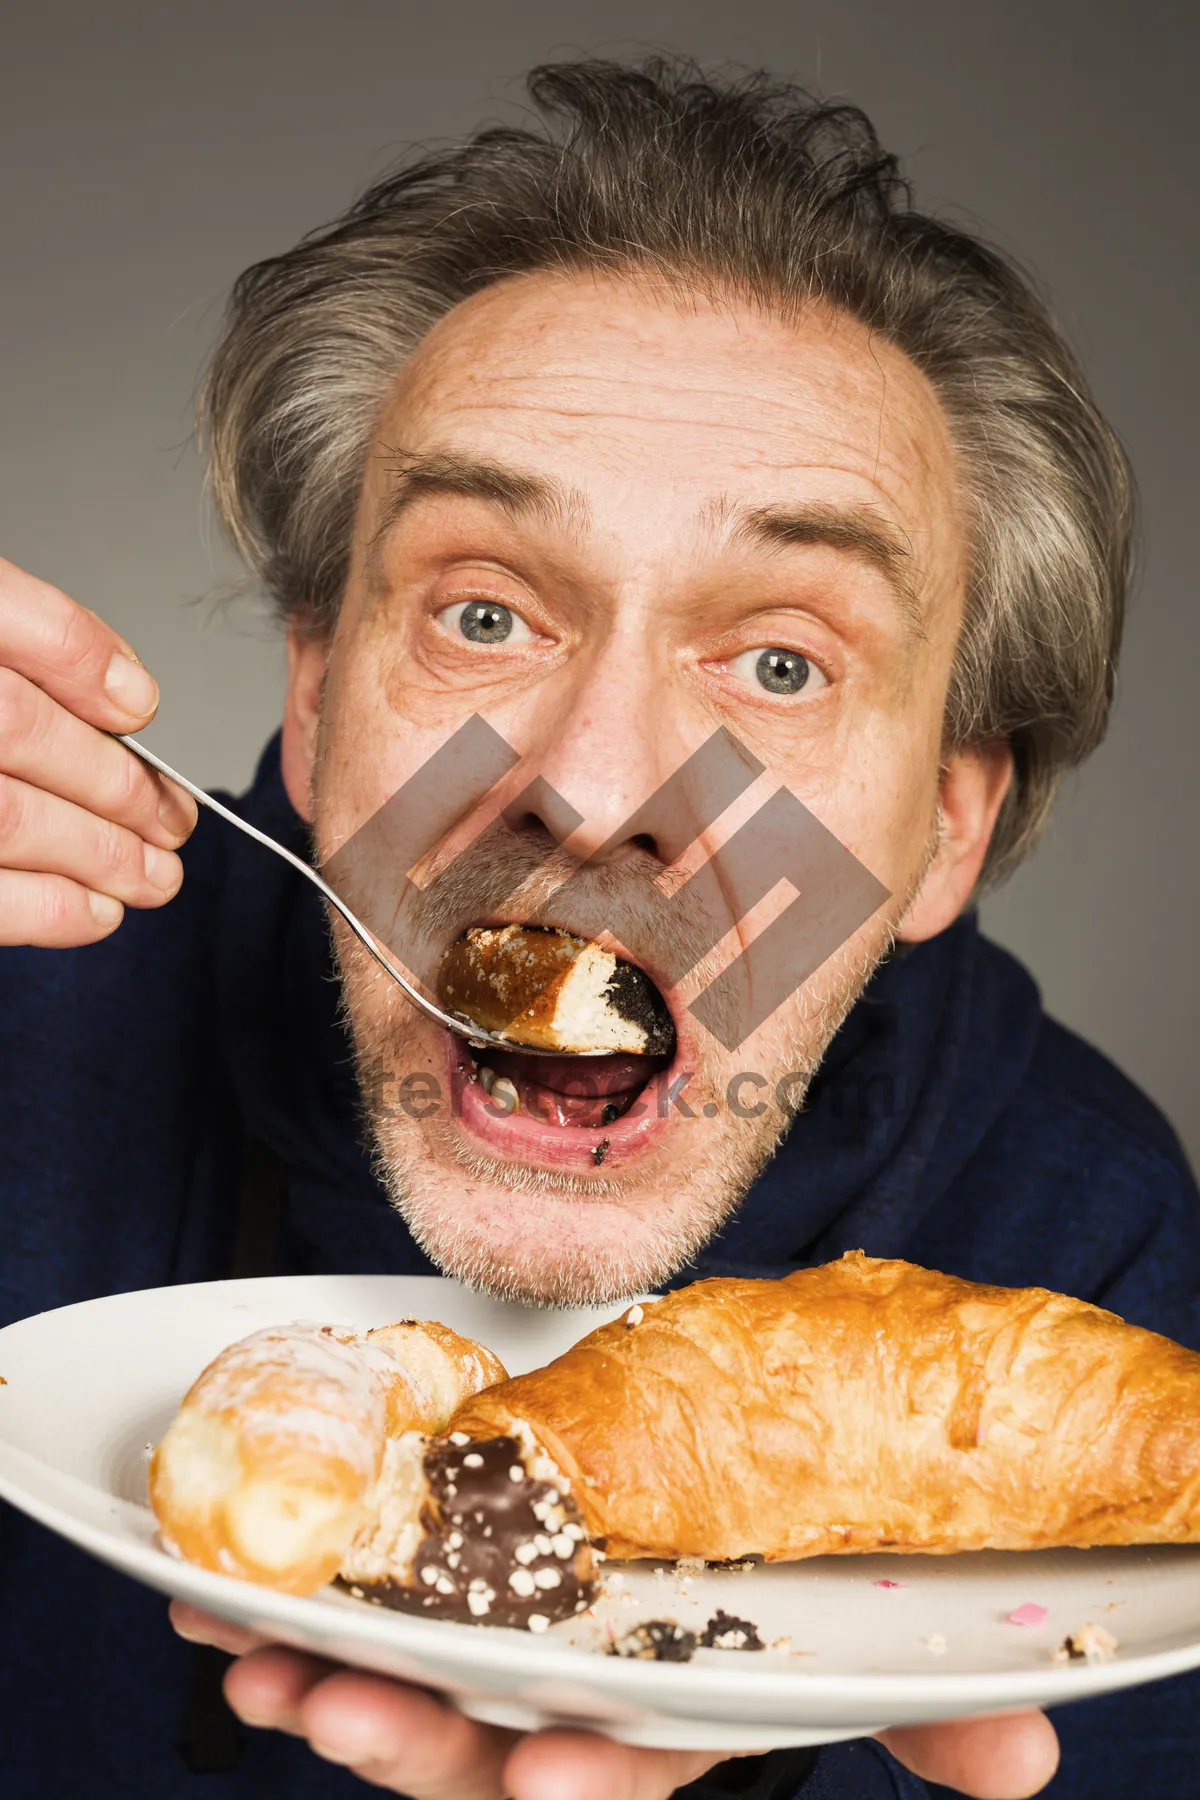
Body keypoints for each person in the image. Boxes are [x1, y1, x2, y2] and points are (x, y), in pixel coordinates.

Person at [1, 56, 1196, 1800]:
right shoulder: (32, 1003)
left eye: (782, 660)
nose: (594, 781)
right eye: (485, 611)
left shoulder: (1081, 1246)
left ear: (952, 826)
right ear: (319, 716)